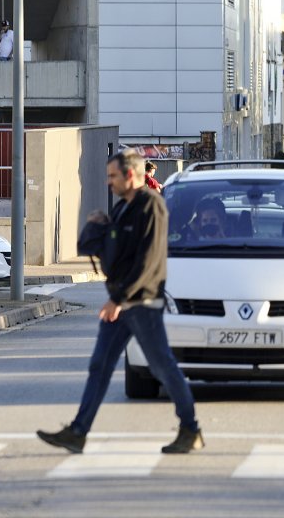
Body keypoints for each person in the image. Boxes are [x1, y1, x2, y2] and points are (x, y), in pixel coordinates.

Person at [37, 149, 202, 455]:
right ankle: (78, 432)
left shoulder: (151, 205)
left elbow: (147, 260)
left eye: (113, 176)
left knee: (162, 366)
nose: (108, 182)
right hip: (122, 303)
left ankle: (190, 429)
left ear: (129, 175)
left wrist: (119, 298)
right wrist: (99, 226)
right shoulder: (124, 207)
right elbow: (115, 253)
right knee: (100, 365)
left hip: (142, 303)